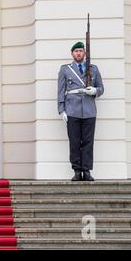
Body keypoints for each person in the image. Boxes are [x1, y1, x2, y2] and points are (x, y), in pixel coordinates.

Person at [57, 42, 104, 182]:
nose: (78, 53)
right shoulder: (65, 69)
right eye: (76, 51)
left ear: (85, 53)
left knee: (88, 142)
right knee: (75, 142)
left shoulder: (93, 69)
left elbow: (101, 88)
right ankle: (77, 170)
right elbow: (60, 91)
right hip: (72, 110)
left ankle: (87, 170)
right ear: (72, 53)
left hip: (89, 110)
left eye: (81, 51)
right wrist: (61, 110)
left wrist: (95, 91)